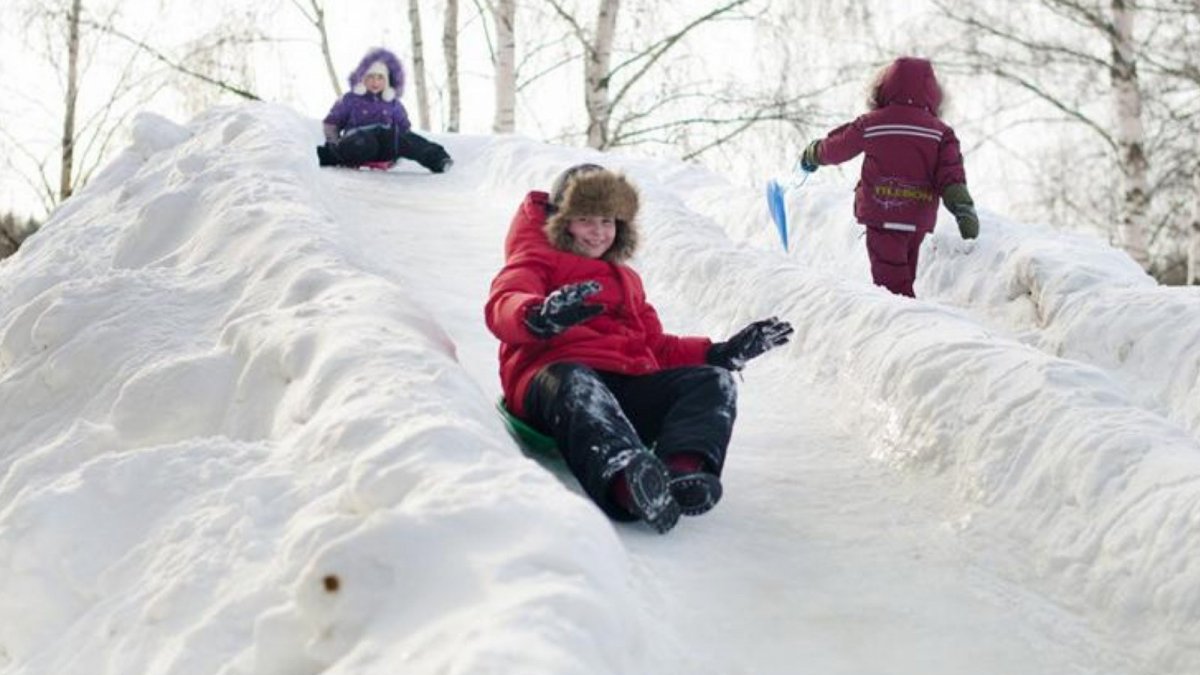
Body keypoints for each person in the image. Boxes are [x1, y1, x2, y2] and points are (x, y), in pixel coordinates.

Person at [485, 164, 793, 534]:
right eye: (586, 220)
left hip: (624, 387)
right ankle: (625, 482)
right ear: (561, 220)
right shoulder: (536, 257)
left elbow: (656, 346)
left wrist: (719, 353)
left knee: (713, 381)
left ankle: (681, 471)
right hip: (553, 383)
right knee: (577, 381)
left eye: (608, 221)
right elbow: (504, 300)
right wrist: (538, 315)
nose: (599, 232)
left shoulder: (626, 278)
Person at [799, 56, 979, 298]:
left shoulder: (872, 124)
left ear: (883, 88)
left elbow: (837, 148)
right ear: (934, 93)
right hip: (916, 217)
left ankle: (911, 326)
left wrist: (813, 154)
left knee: (892, 289)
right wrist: (963, 208)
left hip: (882, 214)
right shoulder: (940, 132)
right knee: (903, 276)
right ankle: (909, 320)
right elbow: (951, 175)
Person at [316, 47, 452, 173]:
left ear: (386, 81)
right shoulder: (351, 99)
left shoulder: (392, 103)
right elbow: (331, 123)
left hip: (383, 147)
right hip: (358, 141)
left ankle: (439, 160)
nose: (375, 82)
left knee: (401, 138)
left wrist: (400, 144)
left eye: (380, 77)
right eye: (370, 77)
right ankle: (330, 156)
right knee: (366, 141)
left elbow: (404, 129)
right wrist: (333, 142)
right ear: (363, 78)